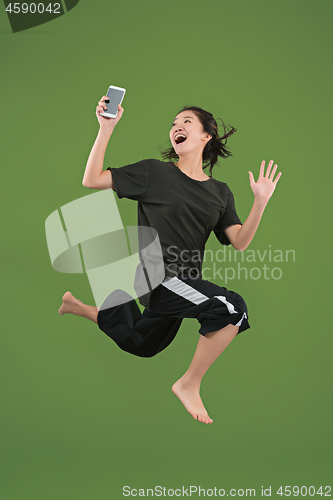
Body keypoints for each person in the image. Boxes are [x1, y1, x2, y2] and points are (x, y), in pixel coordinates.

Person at [59, 95, 281, 424]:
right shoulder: (153, 173)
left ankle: (78, 307)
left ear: (207, 135)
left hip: (182, 282)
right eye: (174, 124)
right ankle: (189, 383)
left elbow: (240, 242)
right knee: (232, 308)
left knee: (143, 342)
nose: (177, 127)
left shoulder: (220, 192)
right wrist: (106, 128)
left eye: (186, 122)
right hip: (157, 276)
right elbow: (92, 179)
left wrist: (260, 202)